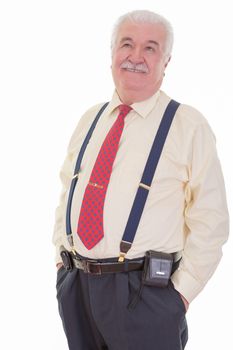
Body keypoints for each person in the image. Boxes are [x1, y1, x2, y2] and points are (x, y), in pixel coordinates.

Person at [53, 10, 229, 350]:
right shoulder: (90, 119)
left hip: (145, 297)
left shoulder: (187, 125)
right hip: (77, 290)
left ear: (166, 62)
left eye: (150, 48)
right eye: (127, 44)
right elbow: (66, 191)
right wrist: (62, 261)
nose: (136, 56)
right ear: (112, 55)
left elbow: (212, 220)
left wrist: (181, 296)